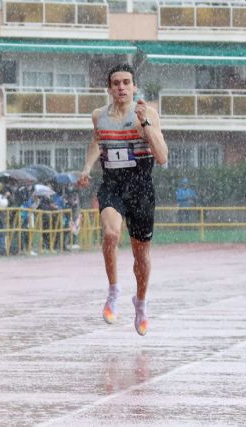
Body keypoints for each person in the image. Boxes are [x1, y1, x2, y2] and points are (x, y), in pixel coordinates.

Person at [77, 63, 168, 336]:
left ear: (134, 87)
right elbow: (97, 141)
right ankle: (113, 292)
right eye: (116, 83)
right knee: (111, 234)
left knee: (141, 255)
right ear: (109, 89)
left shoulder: (147, 113)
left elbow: (162, 156)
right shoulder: (98, 116)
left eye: (126, 82)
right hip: (112, 186)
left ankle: (140, 303)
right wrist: (86, 168)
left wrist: (146, 124)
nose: (121, 87)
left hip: (141, 188)